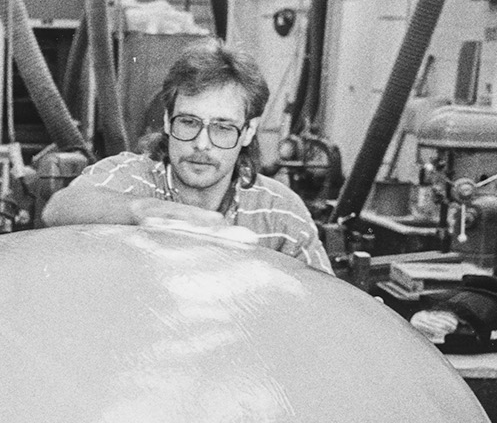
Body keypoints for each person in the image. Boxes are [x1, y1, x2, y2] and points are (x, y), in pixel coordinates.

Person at [42, 41, 332, 273]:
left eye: (222, 127)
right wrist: (151, 212)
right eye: (189, 122)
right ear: (168, 121)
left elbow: (326, 307)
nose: (201, 144)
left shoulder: (280, 213)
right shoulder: (132, 177)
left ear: (248, 131)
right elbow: (58, 208)